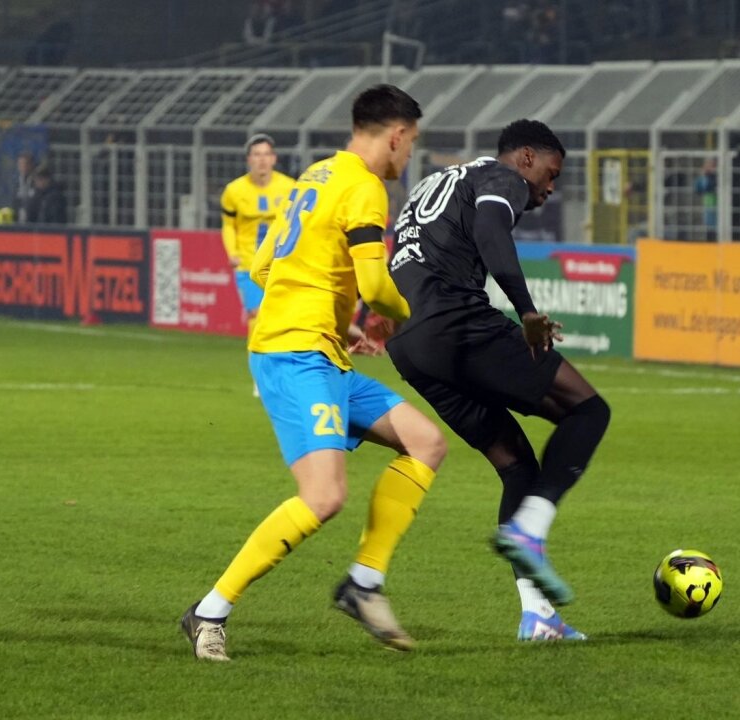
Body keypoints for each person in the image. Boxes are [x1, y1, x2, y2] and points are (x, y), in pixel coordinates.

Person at [181, 84, 446, 660]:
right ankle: (209, 611)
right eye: (412, 144)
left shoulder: (317, 175)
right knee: (324, 496)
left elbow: (263, 261)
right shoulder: (366, 189)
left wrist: (343, 324)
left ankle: (364, 583)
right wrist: (412, 315)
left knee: (425, 443)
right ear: (396, 135)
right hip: (296, 353)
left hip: (320, 347)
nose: (409, 157)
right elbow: (377, 287)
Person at [385, 119, 611, 642]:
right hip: (455, 322)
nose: (549, 189)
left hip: (410, 346)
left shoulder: (436, 183)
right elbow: (490, 232)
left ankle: (537, 617)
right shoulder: (502, 178)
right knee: (587, 409)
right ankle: (531, 529)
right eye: (550, 175)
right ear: (526, 158)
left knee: (516, 466)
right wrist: (527, 311)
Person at [220, 133, 295, 367]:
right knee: (256, 315)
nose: (262, 160)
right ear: (248, 160)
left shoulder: (289, 188)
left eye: (266, 154)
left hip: (281, 263)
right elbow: (228, 225)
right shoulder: (234, 191)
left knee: (282, 318)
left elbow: (297, 225)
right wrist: (231, 251)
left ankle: (282, 365)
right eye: (256, 155)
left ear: (274, 159)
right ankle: (259, 370)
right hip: (248, 264)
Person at [12, 152, 36, 224]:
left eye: (26, 164)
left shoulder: (37, 182)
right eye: (20, 164)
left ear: (31, 165)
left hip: (34, 224)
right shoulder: (17, 183)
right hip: (18, 222)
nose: (23, 167)